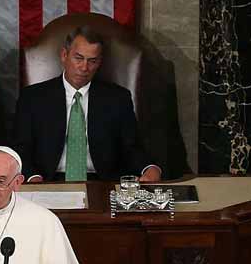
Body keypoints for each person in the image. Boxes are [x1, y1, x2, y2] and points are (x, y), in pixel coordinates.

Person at [13, 26, 162, 183]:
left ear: (99, 62)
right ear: (64, 55)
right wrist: (33, 178)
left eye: (92, 61)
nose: (84, 68)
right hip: (48, 180)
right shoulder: (33, 97)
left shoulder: (118, 98)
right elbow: (21, 148)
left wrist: (149, 168)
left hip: (103, 182)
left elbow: (131, 147)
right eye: (78, 58)